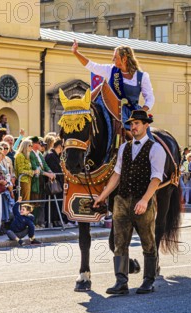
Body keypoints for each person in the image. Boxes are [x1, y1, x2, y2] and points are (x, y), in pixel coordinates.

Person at [93, 110, 165, 295]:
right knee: (119, 243)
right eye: (131, 124)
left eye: (137, 123)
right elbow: (117, 174)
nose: (133, 127)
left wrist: (145, 200)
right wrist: (103, 195)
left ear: (146, 125)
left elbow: (156, 178)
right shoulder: (124, 148)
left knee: (148, 242)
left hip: (143, 201)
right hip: (122, 201)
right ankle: (121, 281)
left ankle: (148, 280)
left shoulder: (155, 148)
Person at [71, 39, 155, 140]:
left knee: (147, 139)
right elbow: (92, 66)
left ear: (124, 59)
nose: (112, 59)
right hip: (113, 109)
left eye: (115, 57)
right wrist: (76, 53)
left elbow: (150, 98)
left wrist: (141, 111)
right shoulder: (111, 70)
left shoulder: (142, 76)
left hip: (132, 112)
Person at [29, 136, 56, 227]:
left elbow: (44, 164)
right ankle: (33, 222)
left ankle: (39, 222)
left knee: (41, 202)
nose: (42, 146)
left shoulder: (39, 154)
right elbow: (34, 167)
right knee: (35, 201)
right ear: (34, 144)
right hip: (35, 180)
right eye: (40, 143)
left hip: (41, 179)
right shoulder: (31, 154)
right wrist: (47, 174)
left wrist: (50, 171)